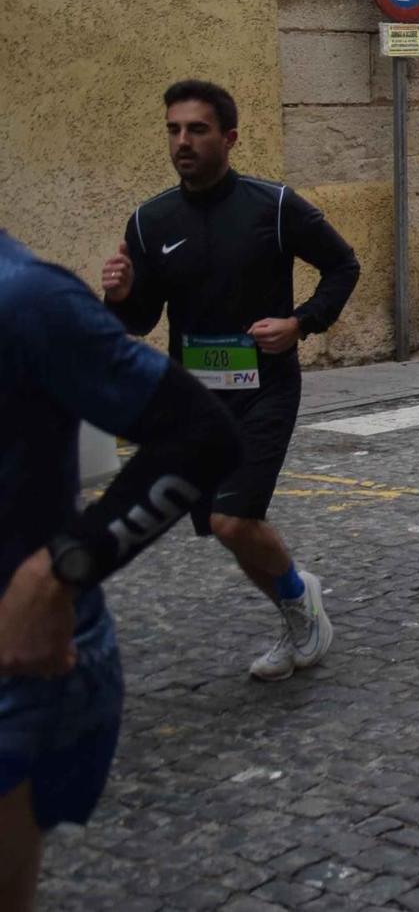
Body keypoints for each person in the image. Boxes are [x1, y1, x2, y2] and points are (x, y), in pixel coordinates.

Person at [1, 233, 246, 910]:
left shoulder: (24, 296)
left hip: (19, 666)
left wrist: (58, 573)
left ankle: (295, 600)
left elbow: (200, 433)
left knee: (237, 522)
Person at [99, 79, 359, 680]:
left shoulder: (274, 207)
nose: (182, 141)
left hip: (266, 387)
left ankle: (300, 606)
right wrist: (118, 296)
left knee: (232, 518)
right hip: (196, 401)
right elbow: (140, 321)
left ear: (230, 137)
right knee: (230, 526)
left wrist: (301, 322)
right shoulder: (151, 220)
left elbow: (343, 264)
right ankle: (298, 607)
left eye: (197, 129)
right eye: (173, 130)